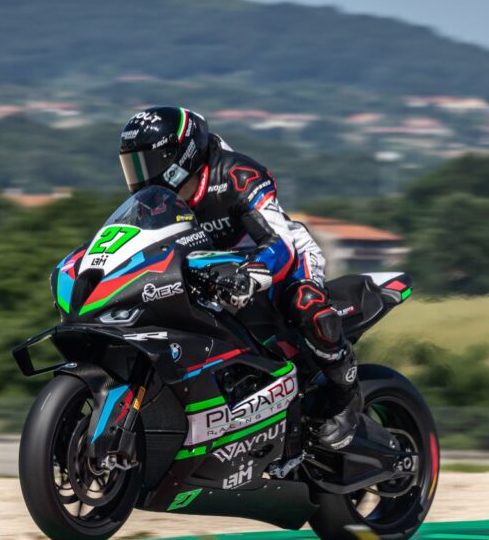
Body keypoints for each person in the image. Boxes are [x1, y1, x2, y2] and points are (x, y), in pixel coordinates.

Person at [118, 106, 360, 449]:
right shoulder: (156, 203)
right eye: (133, 165)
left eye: (147, 163)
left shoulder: (236, 175)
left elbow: (281, 243)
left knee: (307, 305)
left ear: (180, 155)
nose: (140, 176)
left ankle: (345, 394)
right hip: (212, 271)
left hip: (281, 259)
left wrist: (251, 274)